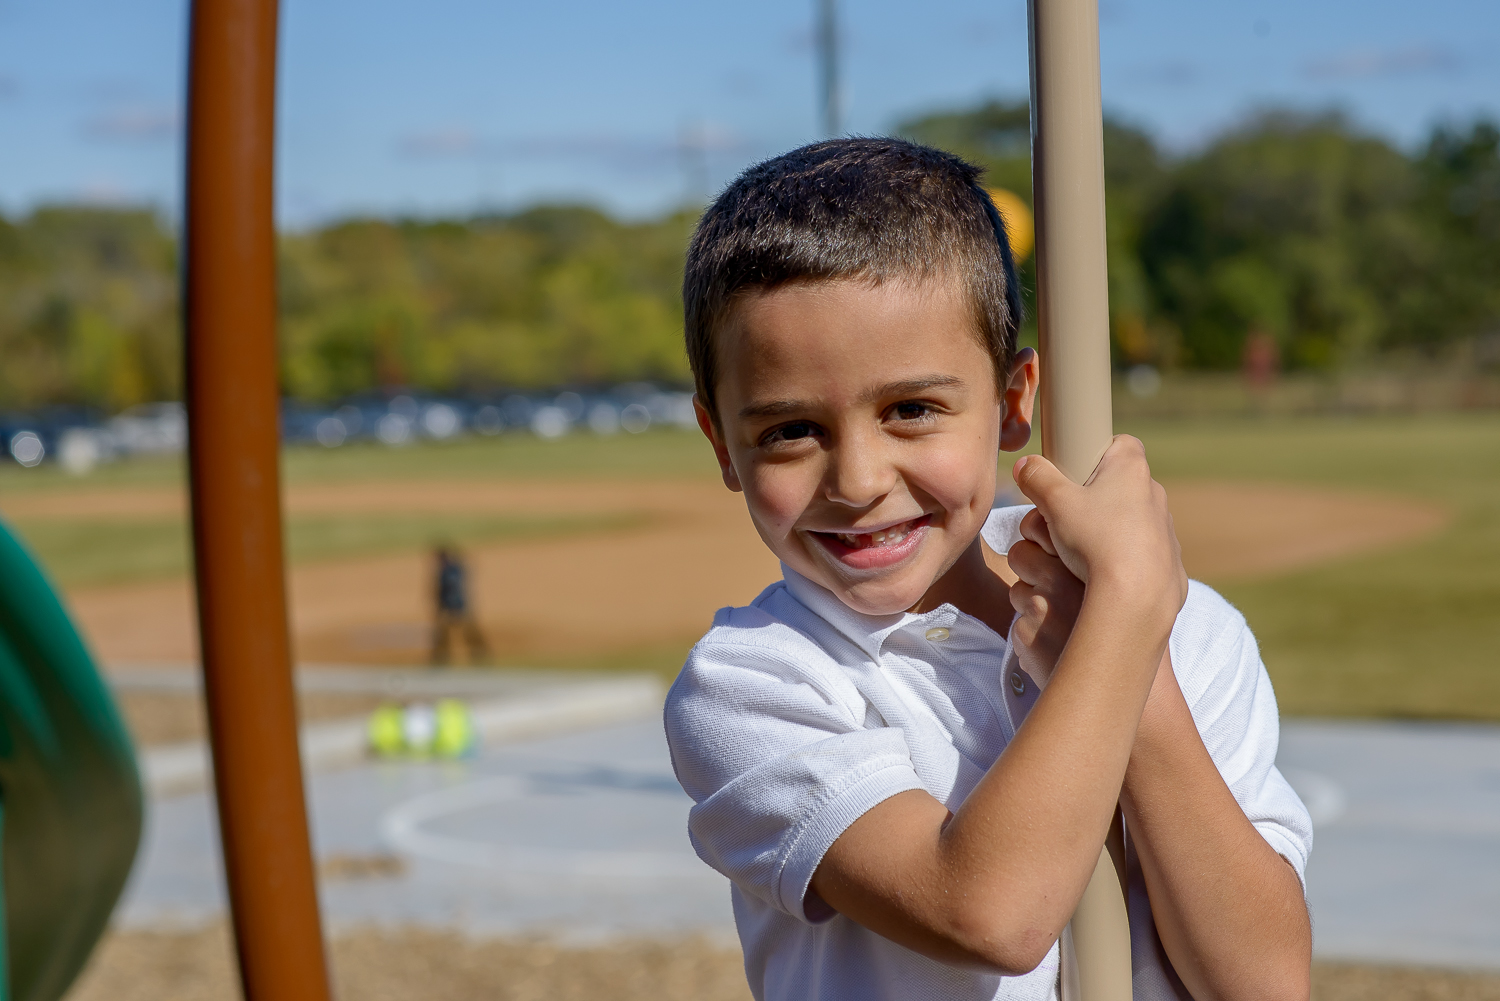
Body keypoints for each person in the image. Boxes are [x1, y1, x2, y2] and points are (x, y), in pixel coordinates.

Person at [662, 139, 1312, 1001]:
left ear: (1012, 405)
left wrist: (1140, 675)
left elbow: (1265, 984)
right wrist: (1116, 629)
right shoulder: (753, 683)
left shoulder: (1188, 630)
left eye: (912, 410)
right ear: (723, 444)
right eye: (789, 430)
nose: (858, 481)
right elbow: (990, 915)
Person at [429, 544, 488, 666]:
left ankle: (441, 657)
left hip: (453, 606)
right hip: (460, 605)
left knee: (449, 634)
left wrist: (440, 607)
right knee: (456, 633)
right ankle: (478, 654)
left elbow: (443, 590)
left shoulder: (446, 572)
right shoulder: (455, 568)